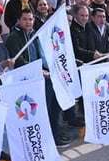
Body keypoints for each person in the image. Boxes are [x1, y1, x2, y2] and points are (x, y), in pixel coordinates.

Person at [6, 9, 70, 146]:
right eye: (25, 19)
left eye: (30, 19)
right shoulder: (14, 37)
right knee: (40, 110)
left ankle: (55, 134)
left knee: (54, 106)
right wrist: (37, 70)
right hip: (27, 80)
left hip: (42, 76)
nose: (28, 22)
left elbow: (44, 54)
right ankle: (44, 138)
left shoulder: (35, 35)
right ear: (18, 21)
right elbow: (19, 60)